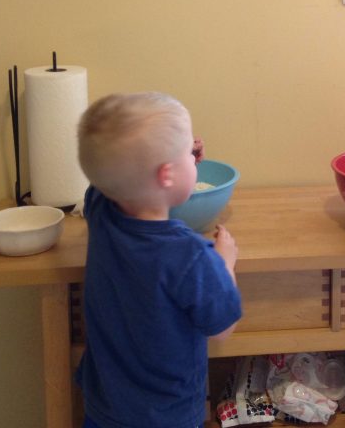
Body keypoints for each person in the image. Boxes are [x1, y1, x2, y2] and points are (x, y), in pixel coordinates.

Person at [76, 92, 242, 428]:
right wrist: (225, 263)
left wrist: (178, 159)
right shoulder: (192, 257)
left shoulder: (100, 211)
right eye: (186, 155)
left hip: (104, 406)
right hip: (169, 416)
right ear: (167, 175)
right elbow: (223, 327)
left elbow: (118, 181)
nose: (193, 159)